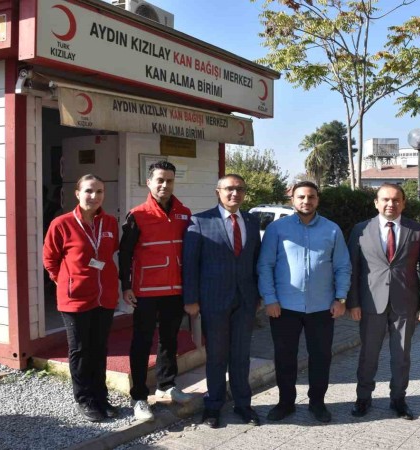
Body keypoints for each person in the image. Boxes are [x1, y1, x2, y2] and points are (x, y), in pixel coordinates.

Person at [257, 181, 352, 423]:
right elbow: (265, 266)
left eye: (311, 197)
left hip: (322, 308)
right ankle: (285, 403)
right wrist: (270, 299)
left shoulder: (332, 229)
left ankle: (317, 403)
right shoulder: (277, 229)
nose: (306, 201)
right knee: (284, 358)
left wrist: (340, 298)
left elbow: (342, 266)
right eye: (301, 197)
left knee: (321, 358)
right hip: (284, 308)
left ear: (317, 199)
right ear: (292, 199)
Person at [346, 183, 420, 420]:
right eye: (385, 199)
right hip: (370, 304)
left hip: (405, 304)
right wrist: (353, 303)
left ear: (403, 203)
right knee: (368, 355)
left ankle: (398, 400)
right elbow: (353, 268)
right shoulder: (361, 229)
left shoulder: (417, 231)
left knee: (401, 356)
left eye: (396, 200)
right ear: (376, 203)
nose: (390, 204)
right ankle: (363, 398)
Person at [182, 174, 262, 428]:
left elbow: (256, 261)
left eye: (240, 189)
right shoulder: (200, 221)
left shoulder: (251, 221)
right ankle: (213, 406)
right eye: (229, 189)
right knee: (216, 356)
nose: (234, 193)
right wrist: (191, 299)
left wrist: (259, 295)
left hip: (245, 300)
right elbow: (190, 264)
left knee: (241, 356)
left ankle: (243, 405)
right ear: (218, 192)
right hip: (213, 300)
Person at [119, 161, 193, 422]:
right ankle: (139, 396)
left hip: (175, 290)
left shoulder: (185, 213)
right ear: (149, 182)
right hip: (146, 291)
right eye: (159, 180)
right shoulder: (137, 214)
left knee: (169, 340)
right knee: (141, 342)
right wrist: (126, 286)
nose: (164, 185)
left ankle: (166, 385)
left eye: (169, 180)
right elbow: (125, 254)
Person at [43, 174, 120, 422]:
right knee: (80, 349)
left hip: (104, 297)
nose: (94, 196)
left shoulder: (110, 223)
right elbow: (50, 259)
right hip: (75, 299)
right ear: (77, 194)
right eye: (88, 191)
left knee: (99, 348)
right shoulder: (61, 223)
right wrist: (66, 281)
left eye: (99, 192)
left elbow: (110, 252)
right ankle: (84, 399)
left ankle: (100, 397)